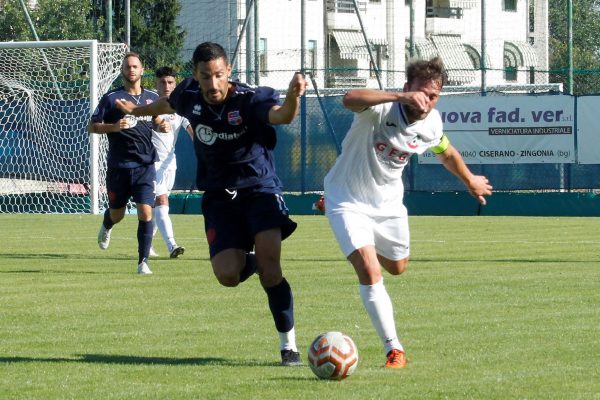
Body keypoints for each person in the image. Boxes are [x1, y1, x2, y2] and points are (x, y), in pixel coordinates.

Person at [115, 42, 307, 366]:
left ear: (229, 71)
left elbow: (281, 116)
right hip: (220, 196)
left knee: (272, 268)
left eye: (219, 75)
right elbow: (166, 105)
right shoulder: (188, 94)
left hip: (259, 188)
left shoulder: (249, 98)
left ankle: (288, 346)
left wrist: (293, 97)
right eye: (206, 76)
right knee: (228, 275)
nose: (213, 83)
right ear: (196, 75)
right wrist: (137, 111)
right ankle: (258, 261)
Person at [323, 57, 493, 368]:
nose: (426, 100)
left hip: (388, 206)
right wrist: (398, 97)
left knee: (398, 267)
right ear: (406, 88)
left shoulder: (432, 123)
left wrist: (469, 180)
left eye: (433, 95)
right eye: (421, 92)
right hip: (346, 198)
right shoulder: (380, 108)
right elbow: (348, 99)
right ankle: (394, 349)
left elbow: (446, 152)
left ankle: (360, 238)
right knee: (370, 270)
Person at [88, 52, 159, 275]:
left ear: (142, 69)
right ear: (122, 70)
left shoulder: (152, 98)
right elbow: (92, 126)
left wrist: (161, 125)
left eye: (135, 66)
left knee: (146, 212)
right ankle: (107, 224)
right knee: (117, 214)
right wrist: (113, 127)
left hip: (145, 166)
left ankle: (143, 262)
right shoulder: (112, 98)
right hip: (119, 167)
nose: (131, 70)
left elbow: (156, 120)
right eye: (127, 66)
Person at [149, 66, 194, 259]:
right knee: (162, 202)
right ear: (156, 84)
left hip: (170, 163)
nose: (166, 86)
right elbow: (149, 120)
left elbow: (190, 127)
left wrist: (201, 144)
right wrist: (157, 122)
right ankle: (172, 245)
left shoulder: (180, 107)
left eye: (170, 82)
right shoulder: (150, 103)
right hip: (152, 163)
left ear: (175, 84)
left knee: (156, 207)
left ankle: (146, 244)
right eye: (162, 82)